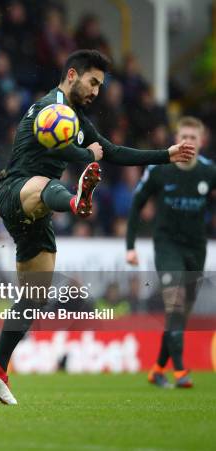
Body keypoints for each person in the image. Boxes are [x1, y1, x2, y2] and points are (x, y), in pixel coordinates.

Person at [0, 49, 195, 405]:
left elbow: (111, 151)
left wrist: (164, 155)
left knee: (34, 295)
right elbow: (70, 150)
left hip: (39, 210)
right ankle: (77, 200)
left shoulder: (74, 117)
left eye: (101, 85)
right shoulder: (48, 109)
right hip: (17, 192)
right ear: (73, 75)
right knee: (46, 184)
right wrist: (86, 156)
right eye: (93, 82)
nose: (97, 91)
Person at [126, 116, 215, 389]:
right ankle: (180, 370)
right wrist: (129, 246)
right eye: (184, 136)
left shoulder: (209, 172)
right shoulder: (159, 169)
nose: (188, 141)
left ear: (202, 142)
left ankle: (156, 370)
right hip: (166, 245)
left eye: (193, 137)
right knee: (174, 303)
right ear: (177, 140)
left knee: (180, 314)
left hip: (196, 247)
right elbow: (137, 203)